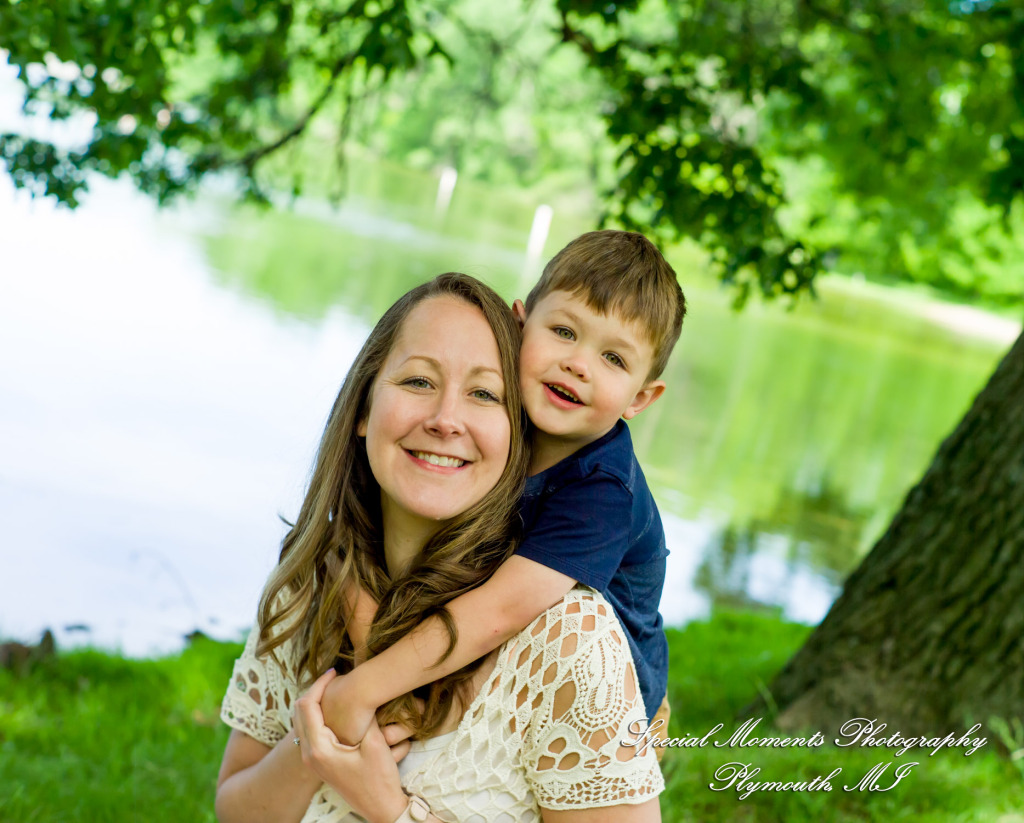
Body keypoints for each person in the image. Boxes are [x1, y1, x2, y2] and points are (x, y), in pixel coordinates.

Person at [215, 272, 664, 823]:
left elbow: (500, 611)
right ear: (362, 408)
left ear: (515, 432)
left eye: (483, 393)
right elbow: (238, 811)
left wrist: (389, 808)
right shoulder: (310, 582)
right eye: (419, 382)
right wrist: (319, 740)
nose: (446, 419)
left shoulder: (568, 638)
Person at [326, 232, 685, 754]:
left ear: (641, 397)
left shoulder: (603, 491)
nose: (578, 364)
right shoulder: (500, 425)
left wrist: (365, 688)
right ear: (520, 325)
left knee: (426, 732)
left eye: (614, 359)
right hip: (511, 639)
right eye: (564, 331)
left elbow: (500, 612)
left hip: (605, 701)